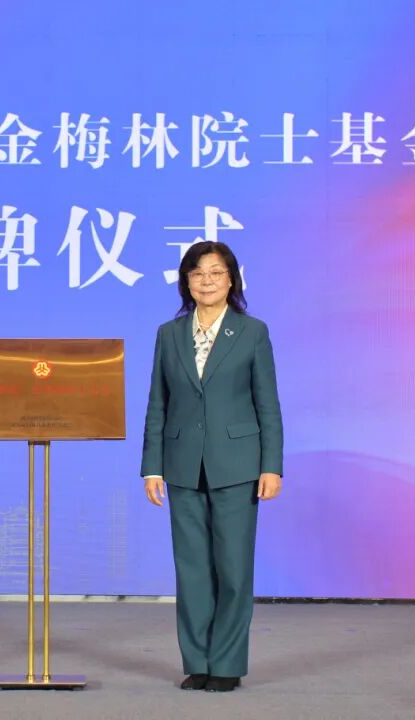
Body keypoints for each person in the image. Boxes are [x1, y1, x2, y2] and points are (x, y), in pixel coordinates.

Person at [141, 241, 283, 692]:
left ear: (232, 280)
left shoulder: (252, 332)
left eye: (216, 272)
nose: (207, 281)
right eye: (198, 273)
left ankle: (226, 664)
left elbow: (268, 404)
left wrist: (272, 466)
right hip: (182, 465)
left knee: (234, 570)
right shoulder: (169, 334)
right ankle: (197, 661)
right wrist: (151, 467)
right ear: (186, 281)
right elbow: (158, 403)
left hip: (238, 466)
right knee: (192, 571)